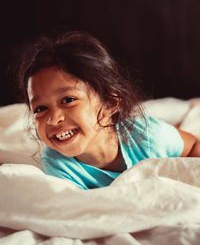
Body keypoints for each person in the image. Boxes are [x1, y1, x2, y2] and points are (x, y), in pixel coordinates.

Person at [17, 31, 200, 190]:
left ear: (109, 104)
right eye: (40, 108)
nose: (53, 118)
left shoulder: (149, 137)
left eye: (68, 100)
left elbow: (193, 146)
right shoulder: (58, 163)